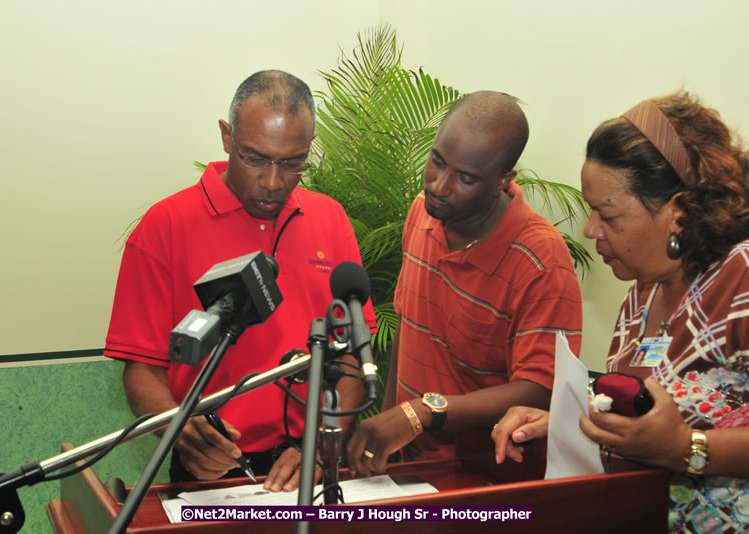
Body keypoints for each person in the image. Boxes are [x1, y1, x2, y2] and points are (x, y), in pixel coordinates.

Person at [104, 70, 375, 492]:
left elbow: (354, 356)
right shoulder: (165, 227)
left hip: (311, 462)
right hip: (211, 471)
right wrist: (181, 430)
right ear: (227, 137)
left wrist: (324, 443)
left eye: (292, 163)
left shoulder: (331, 219)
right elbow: (141, 369)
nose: (273, 182)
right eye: (255, 158)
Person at [492, 91, 749, 533]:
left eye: (607, 216)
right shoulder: (641, 293)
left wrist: (687, 448)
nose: (591, 229)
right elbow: (641, 421)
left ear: (678, 213)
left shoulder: (740, 277)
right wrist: (567, 426)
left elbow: (676, 439)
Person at [345, 91, 583, 475]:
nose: (439, 186)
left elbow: (540, 390)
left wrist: (423, 411)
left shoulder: (542, 261)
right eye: (437, 161)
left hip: (481, 475)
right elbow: (408, 325)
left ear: (503, 181)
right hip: (409, 463)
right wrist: (391, 425)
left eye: (466, 178)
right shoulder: (422, 213)